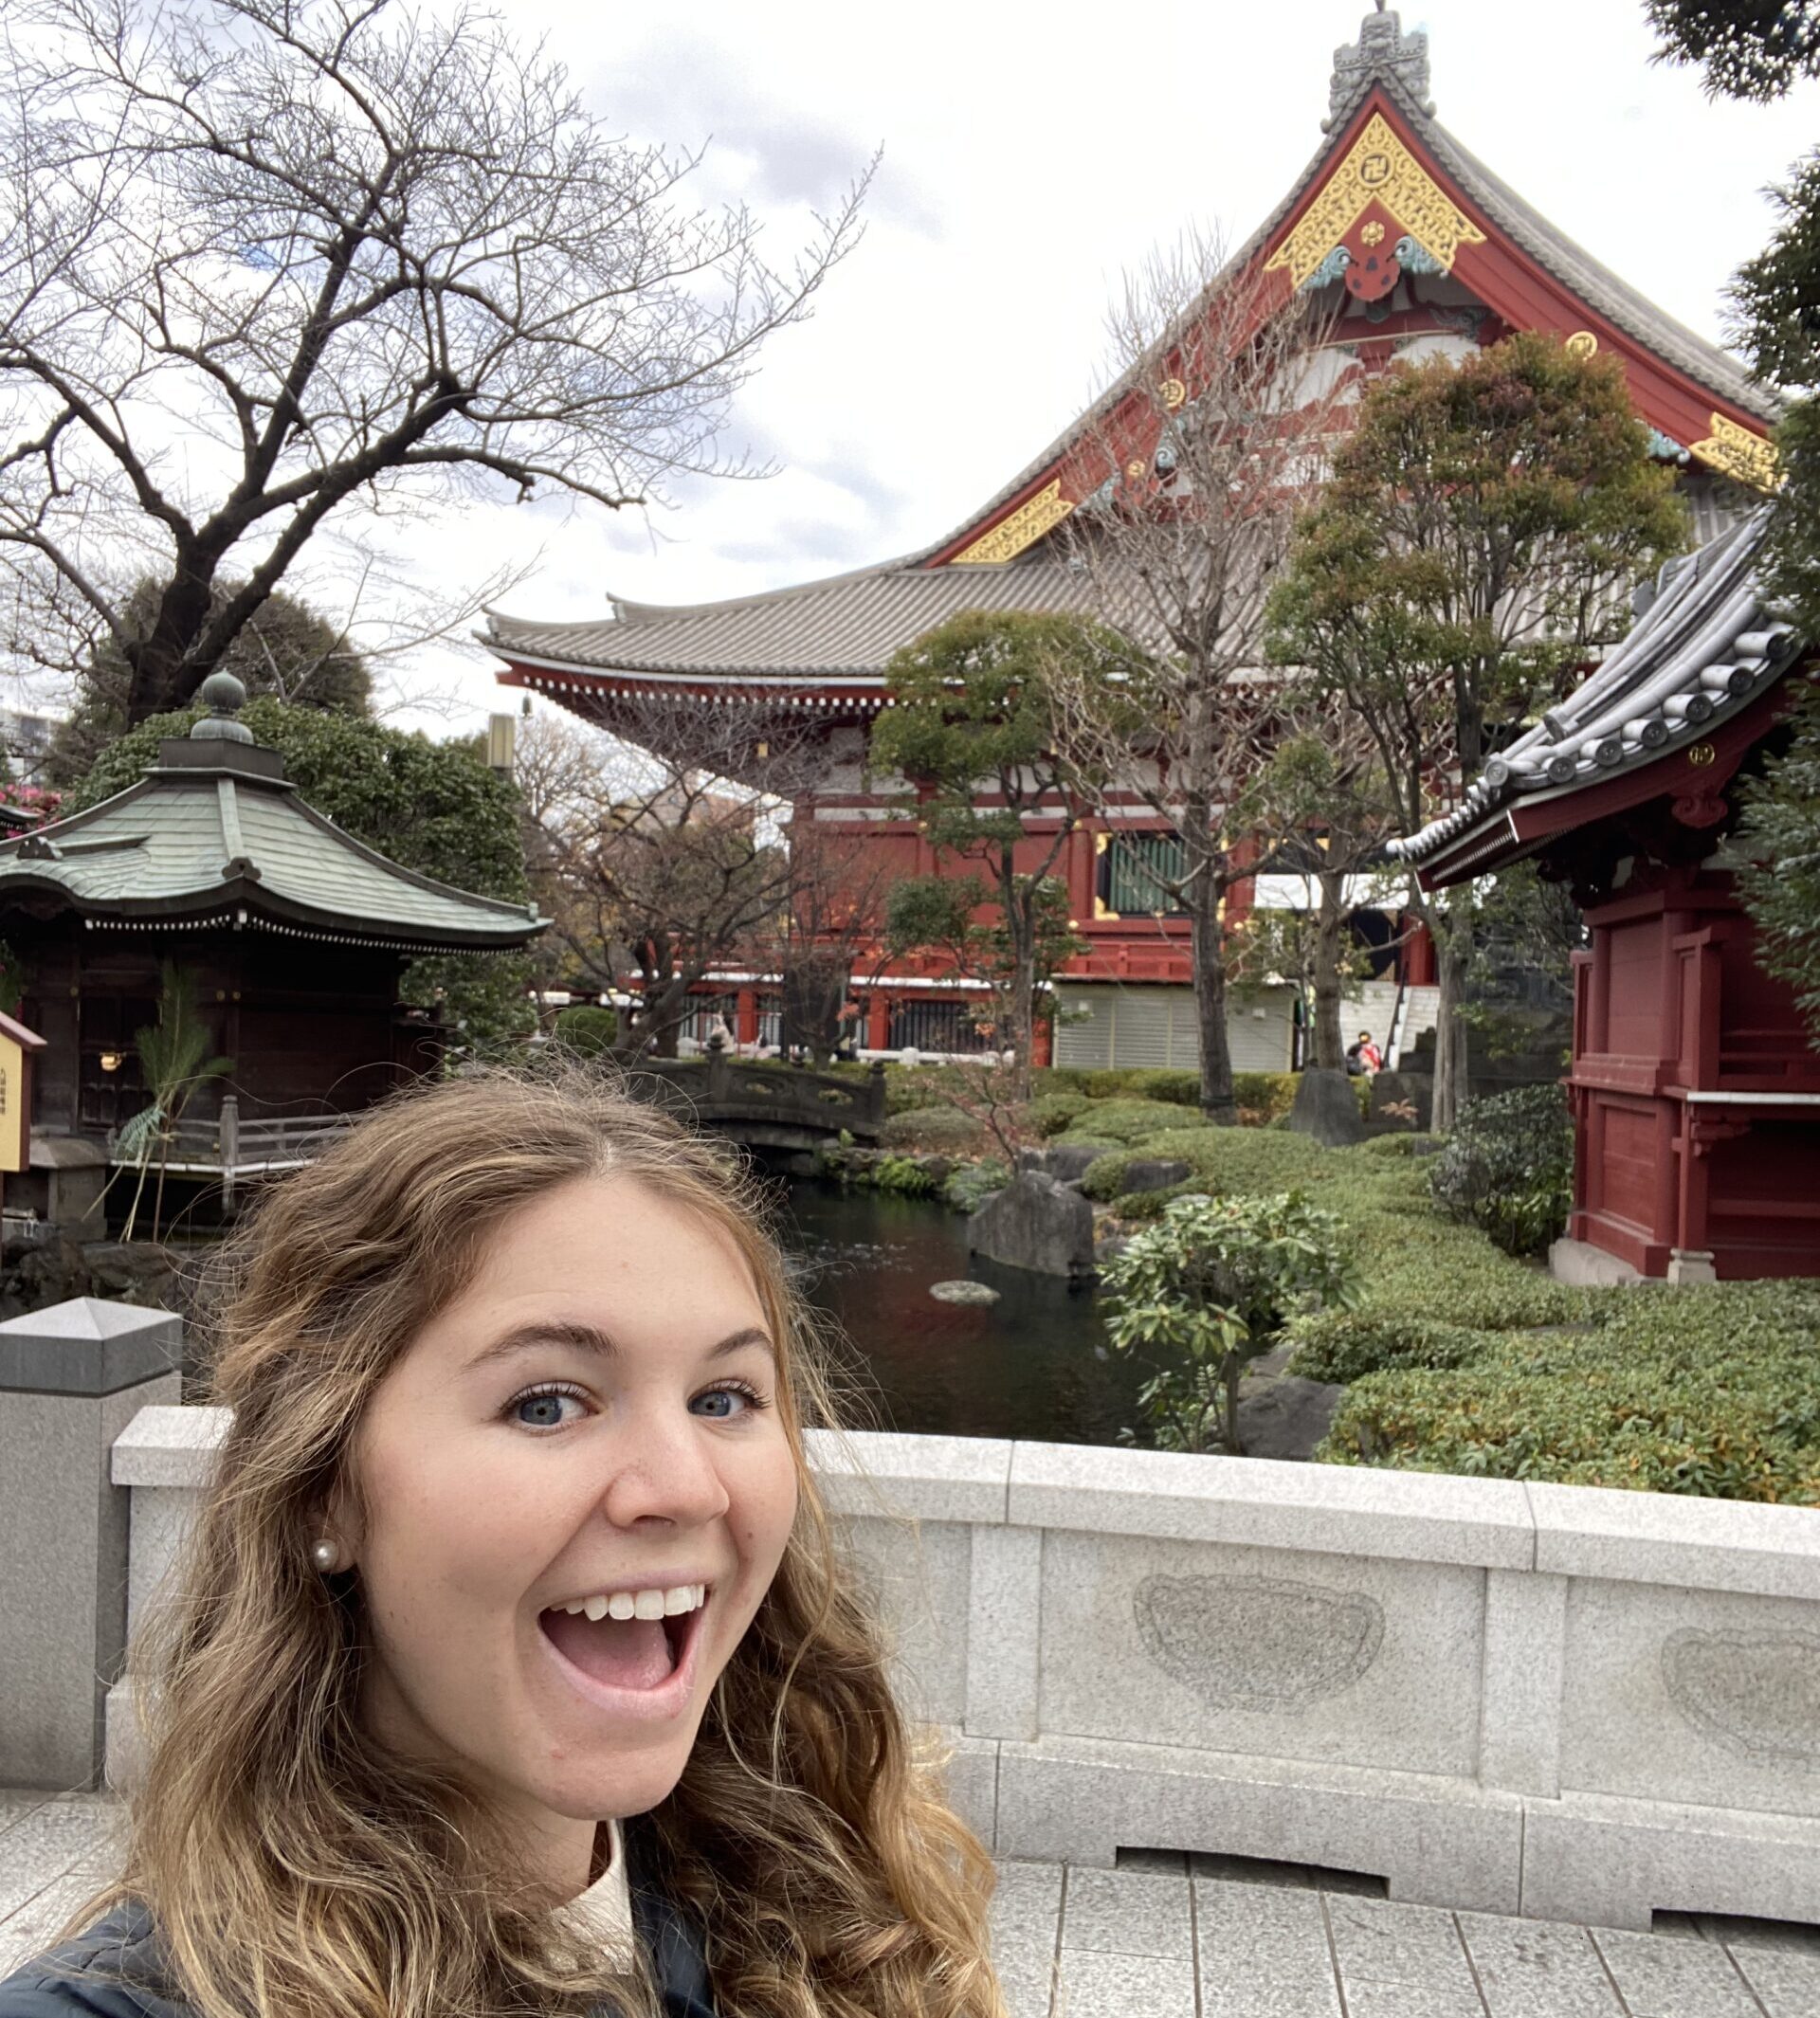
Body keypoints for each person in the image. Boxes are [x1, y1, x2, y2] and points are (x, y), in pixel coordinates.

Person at [0, 1071, 1000, 2018]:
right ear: (324, 1488)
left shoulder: (827, 1895)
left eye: (724, 1396)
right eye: (546, 1402)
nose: (687, 1485)